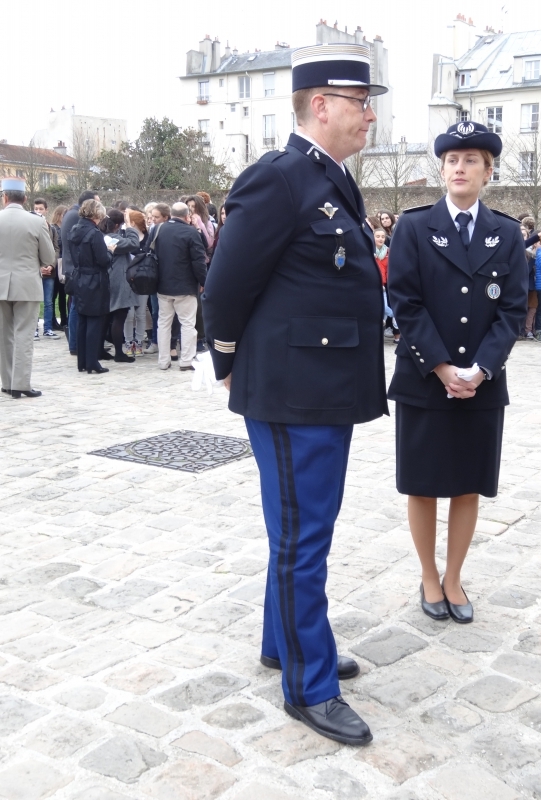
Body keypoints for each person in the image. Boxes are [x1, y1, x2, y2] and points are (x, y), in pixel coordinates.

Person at [203, 43, 388, 746]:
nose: (369, 116)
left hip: (320, 388)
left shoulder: (330, 179)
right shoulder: (280, 177)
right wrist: (226, 360)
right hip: (289, 392)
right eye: (359, 103)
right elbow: (225, 287)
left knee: (302, 532)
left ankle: (285, 641)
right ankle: (308, 686)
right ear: (321, 106)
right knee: (304, 540)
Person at [387, 121, 528, 626]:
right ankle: (428, 574)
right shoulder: (414, 227)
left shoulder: (507, 233)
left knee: (468, 484)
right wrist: (444, 366)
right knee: (423, 484)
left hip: (482, 383)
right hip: (426, 377)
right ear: (442, 169)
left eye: (471, 160)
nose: (460, 168)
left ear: (488, 172)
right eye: (452, 160)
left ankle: (454, 576)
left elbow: (512, 310)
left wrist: (482, 368)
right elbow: (404, 301)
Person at [0, 178, 56, 398]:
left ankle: (7, 381)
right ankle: (20, 384)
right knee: (24, 334)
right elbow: (49, 257)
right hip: (27, 284)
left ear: (4, 197)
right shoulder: (36, 221)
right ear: (24, 199)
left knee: (4, 334)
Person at [154, 202, 206, 371]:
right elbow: (198, 261)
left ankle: (163, 360)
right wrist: (204, 281)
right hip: (185, 286)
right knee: (187, 324)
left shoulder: (159, 230)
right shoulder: (191, 232)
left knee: (164, 324)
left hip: (162, 285)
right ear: (186, 216)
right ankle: (186, 360)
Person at [68, 199, 111, 374]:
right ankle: (92, 362)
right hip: (94, 279)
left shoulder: (74, 230)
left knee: (83, 320)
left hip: (79, 277)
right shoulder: (95, 234)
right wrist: (110, 251)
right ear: (96, 214)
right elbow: (103, 260)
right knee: (94, 320)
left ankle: (83, 361)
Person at [61, 189, 100, 355]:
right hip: (76, 269)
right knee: (77, 307)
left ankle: (77, 344)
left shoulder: (71, 214)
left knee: (76, 306)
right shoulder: (76, 216)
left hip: (73, 267)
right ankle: (76, 344)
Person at [101, 209, 139, 363]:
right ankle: (119, 352)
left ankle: (100, 348)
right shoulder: (111, 238)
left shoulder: (103, 235)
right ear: (117, 225)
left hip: (109, 279)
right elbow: (133, 244)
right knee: (119, 316)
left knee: (108, 317)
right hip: (118, 280)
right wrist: (130, 227)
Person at [33, 197, 61, 340]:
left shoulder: (51, 228)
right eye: (36, 209)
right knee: (34, 300)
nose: (38, 211)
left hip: (49, 270)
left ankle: (48, 328)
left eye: (41, 209)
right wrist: (39, 267)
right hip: (35, 271)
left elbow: (55, 249)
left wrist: (51, 265)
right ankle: (34, 329)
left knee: (49, 301)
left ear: (46, 210)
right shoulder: (30, 226)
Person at [144, 203, 171, 354]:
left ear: (165, 217)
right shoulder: (153, 230)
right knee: (156, 310)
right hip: (156, 275)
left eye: (156, 217)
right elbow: (148, 249)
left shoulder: (174, 230)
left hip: (169, 276)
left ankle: (170, 343)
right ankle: (155, 340)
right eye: (152, 216)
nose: (153, 219)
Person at [123, 210, 149, 356]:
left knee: (141, 313)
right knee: (129, 313)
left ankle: (138, 342)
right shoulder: (126, 236)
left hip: (143, 279)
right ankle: (128, 342)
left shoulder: (147, 237)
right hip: (128, 279)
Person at [50, 205, 68, 331]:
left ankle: (64, 319)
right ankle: (52, 320)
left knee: (62, 293)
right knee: (53, 294)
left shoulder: (65, 228)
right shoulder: (54, 228)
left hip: (63, 263)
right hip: (56, 263)